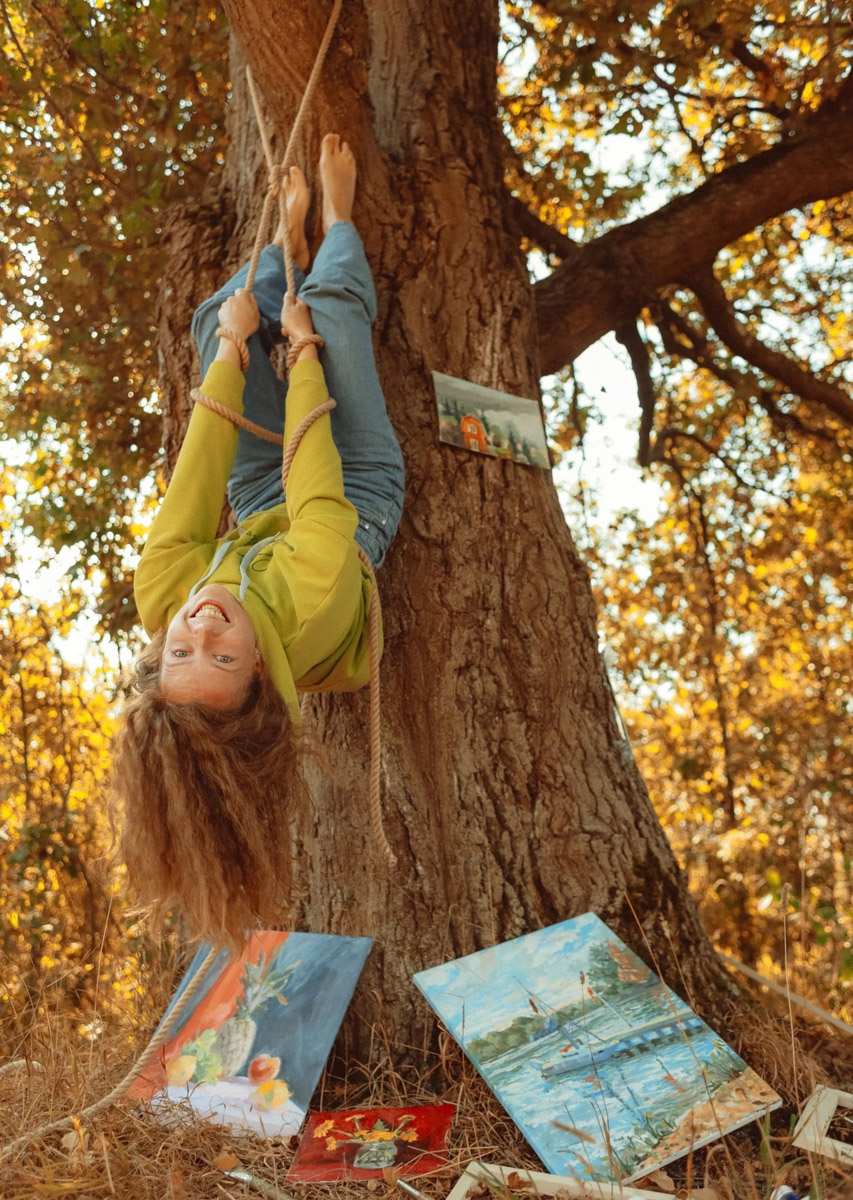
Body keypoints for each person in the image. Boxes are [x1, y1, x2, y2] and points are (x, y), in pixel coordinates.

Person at [109, 136, 404, 951]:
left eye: (181, 653)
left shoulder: (168, 598)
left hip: (257, 515)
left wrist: (235, 352)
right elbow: (317, 483)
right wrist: (301, 347)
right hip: (348, 496)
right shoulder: (309, 603)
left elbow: (193, 490)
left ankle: (284, 247)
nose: (200, 625)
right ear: (261, 679)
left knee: (217, 317)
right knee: (334, 315)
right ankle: (336, 225)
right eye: (223, 656)